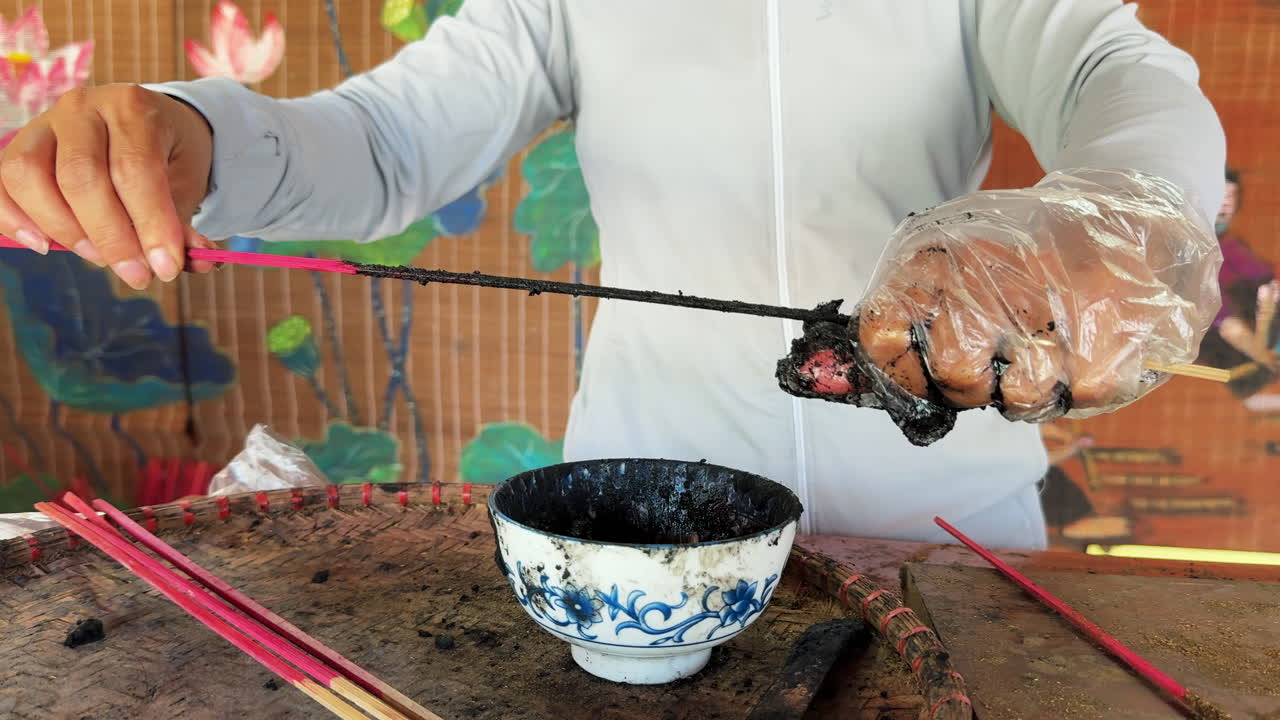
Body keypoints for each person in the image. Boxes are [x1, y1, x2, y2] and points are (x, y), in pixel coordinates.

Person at [0, 1, 1226, 550]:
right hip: (644, 515)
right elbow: (382, 146)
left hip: (954, 516)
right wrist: (192, 135)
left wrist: (1116, 211)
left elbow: (1111, 73)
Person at [1196, 168, 1279, 397]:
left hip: (1250, 344)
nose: (1226, 205)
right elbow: (1221, 318)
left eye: (1231, 197)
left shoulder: (1233, 249)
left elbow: (1267, 287)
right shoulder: (1191, 247)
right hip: (1212, 334)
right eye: (1220, 196)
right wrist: (1258, 351)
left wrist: (1261, 341)